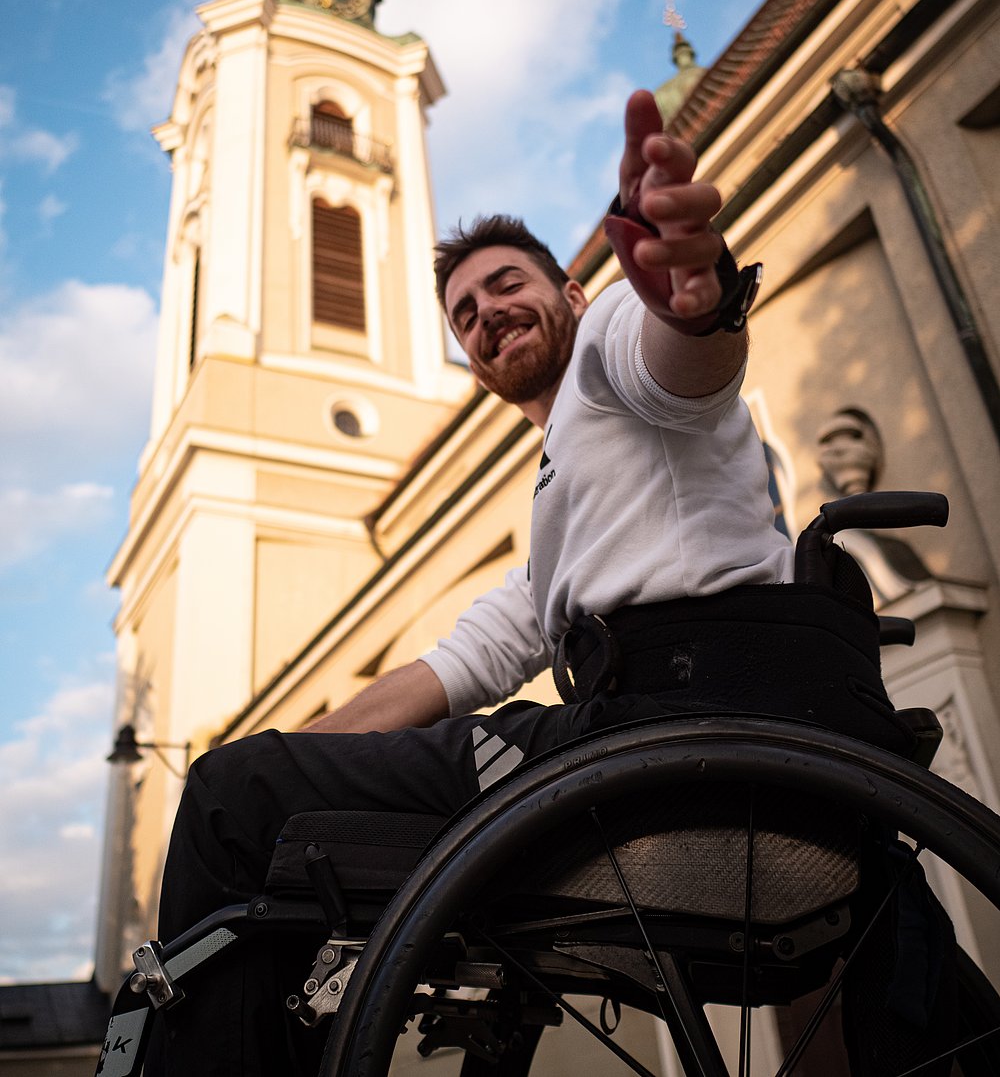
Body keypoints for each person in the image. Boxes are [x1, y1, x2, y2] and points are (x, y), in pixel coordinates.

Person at [142, 91, 922, 1077]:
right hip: (665, 742)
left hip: (678, 730)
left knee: (229, 798)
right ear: (472, 364)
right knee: (249, 788)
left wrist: (696, 290)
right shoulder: (563, 525)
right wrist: (277, 756)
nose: (486, 314)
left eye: (506, 284)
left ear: (569, 292)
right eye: (465, 313)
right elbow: (448, 667)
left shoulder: (609, 350)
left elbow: (683, 361)